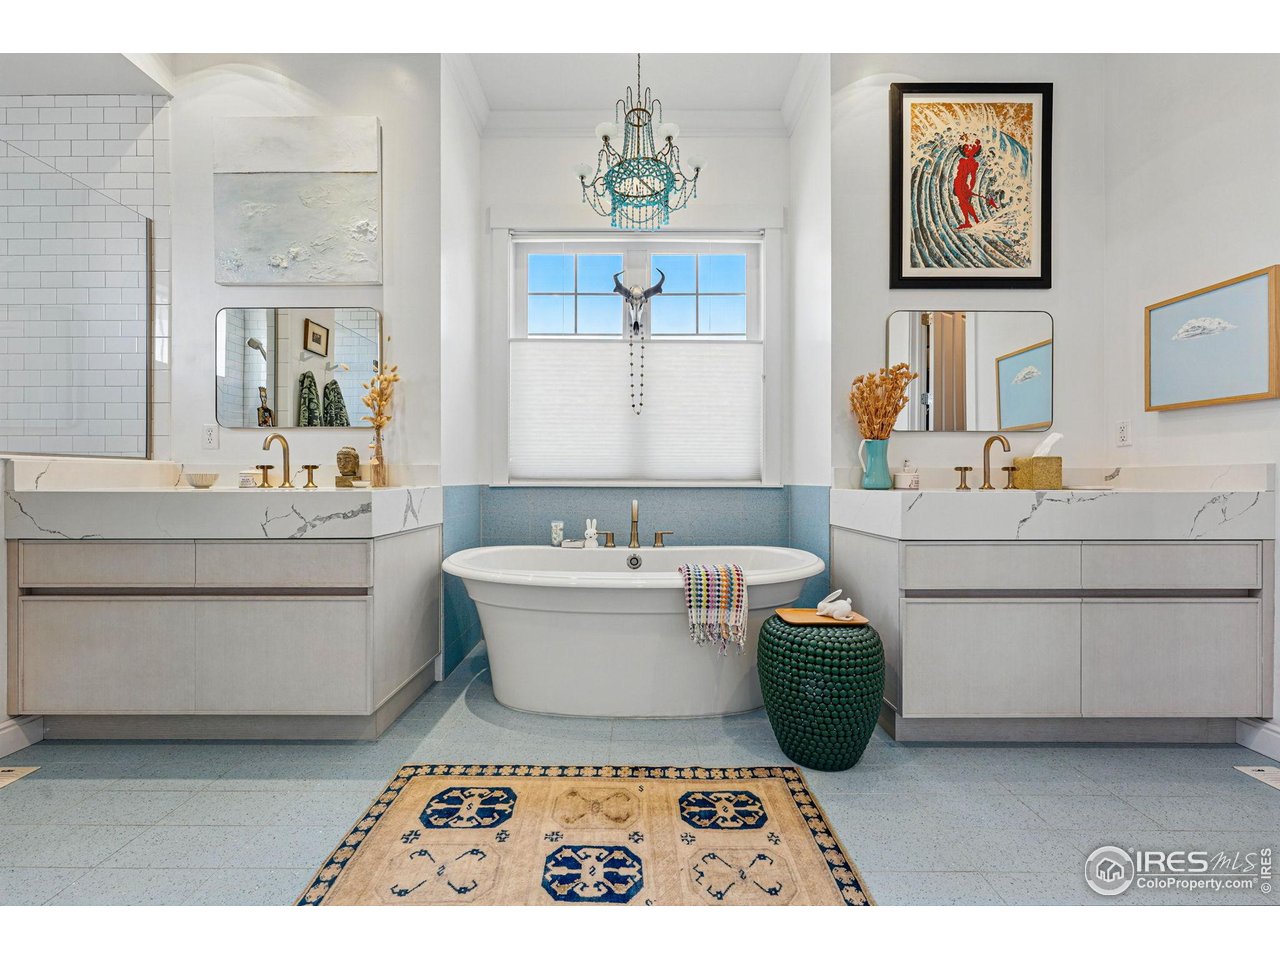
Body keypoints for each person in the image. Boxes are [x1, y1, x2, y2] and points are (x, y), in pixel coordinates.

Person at [953, 139, 982, 230]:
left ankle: (974, 221)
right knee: (963, 204)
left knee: (965, 203)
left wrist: (970, 188)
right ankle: (969, 222)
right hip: (959, 184)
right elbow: (972, 177)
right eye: (966, 146)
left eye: (972, 147)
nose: (967, 147)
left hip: (962, 185)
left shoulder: (973, 163)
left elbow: (973, 177)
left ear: (976, 150)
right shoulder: (965, 161)